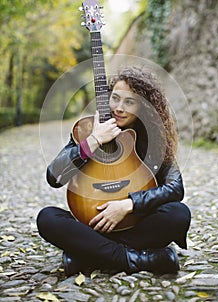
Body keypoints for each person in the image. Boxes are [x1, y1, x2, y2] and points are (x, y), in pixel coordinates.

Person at [37, 65, 191, 277]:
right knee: (47, 218)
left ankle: (86, 254)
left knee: (178, 213)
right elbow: (54, 177)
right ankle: (141, 258)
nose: (119, 107)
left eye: (129, 102)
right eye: (115, 98)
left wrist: (128, 205)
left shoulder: (154, 138)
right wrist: (94, 141)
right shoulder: (86, 130)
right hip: (92, 224)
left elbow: (175, 188)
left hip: (137, 223)